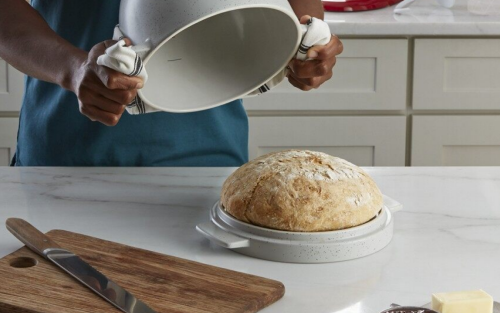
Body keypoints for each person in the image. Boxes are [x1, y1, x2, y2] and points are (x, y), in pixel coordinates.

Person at [0, 0, 343, 167]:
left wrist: (309, 45)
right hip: (65, 157)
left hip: (207, 161)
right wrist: (74, 70)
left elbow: (301, 11)